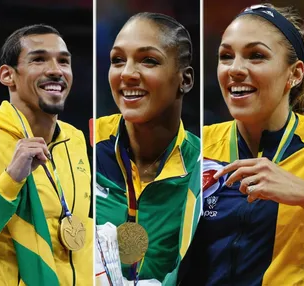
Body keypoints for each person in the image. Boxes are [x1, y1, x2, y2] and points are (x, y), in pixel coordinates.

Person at [182, 4, 304, 285]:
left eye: (256, 56)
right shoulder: (194, 147)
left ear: (294, 74)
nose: (235, 69)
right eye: (226, 56)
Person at [95, 12, 201, 285]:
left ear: (185, 80)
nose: (127, 73)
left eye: (149, 61)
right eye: (117, 60)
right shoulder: (81, 148)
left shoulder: (205, 169)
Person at [0, 24, 93, 286]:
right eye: (38, 59)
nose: (56, 71)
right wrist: (11, 179)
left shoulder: (75, 139)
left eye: (63, 62)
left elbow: (77, 227)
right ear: (7, 75)